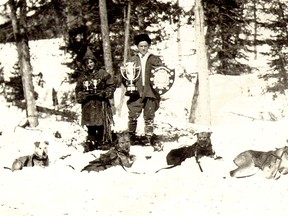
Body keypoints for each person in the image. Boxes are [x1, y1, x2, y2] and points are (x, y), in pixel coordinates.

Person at [126, 33, 163, 146]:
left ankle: (148, 137)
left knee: (149, 115)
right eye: (141, 46)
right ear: (137, 46)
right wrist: (129, 84)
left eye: (145, 46)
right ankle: (131, 137)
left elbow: (161, 75)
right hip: (136, 92)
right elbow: (126, 75)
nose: (143, 48)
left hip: (150, 92)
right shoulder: (132, 60)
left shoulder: (154, 59)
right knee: (133, 114)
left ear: (149, 46)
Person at [75, 49, 116, 152]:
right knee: (91, 126)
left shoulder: (102, 73)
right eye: (87, 63)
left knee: (101, 124)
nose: (90, 65)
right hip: (88, 105)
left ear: (95, 62)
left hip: (100, 104)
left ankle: (104, 141)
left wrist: (105, 92)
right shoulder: (82, 77)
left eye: (91, 62)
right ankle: (91, 142)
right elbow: (78, 90)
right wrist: (82, 95)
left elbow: (111, 85)